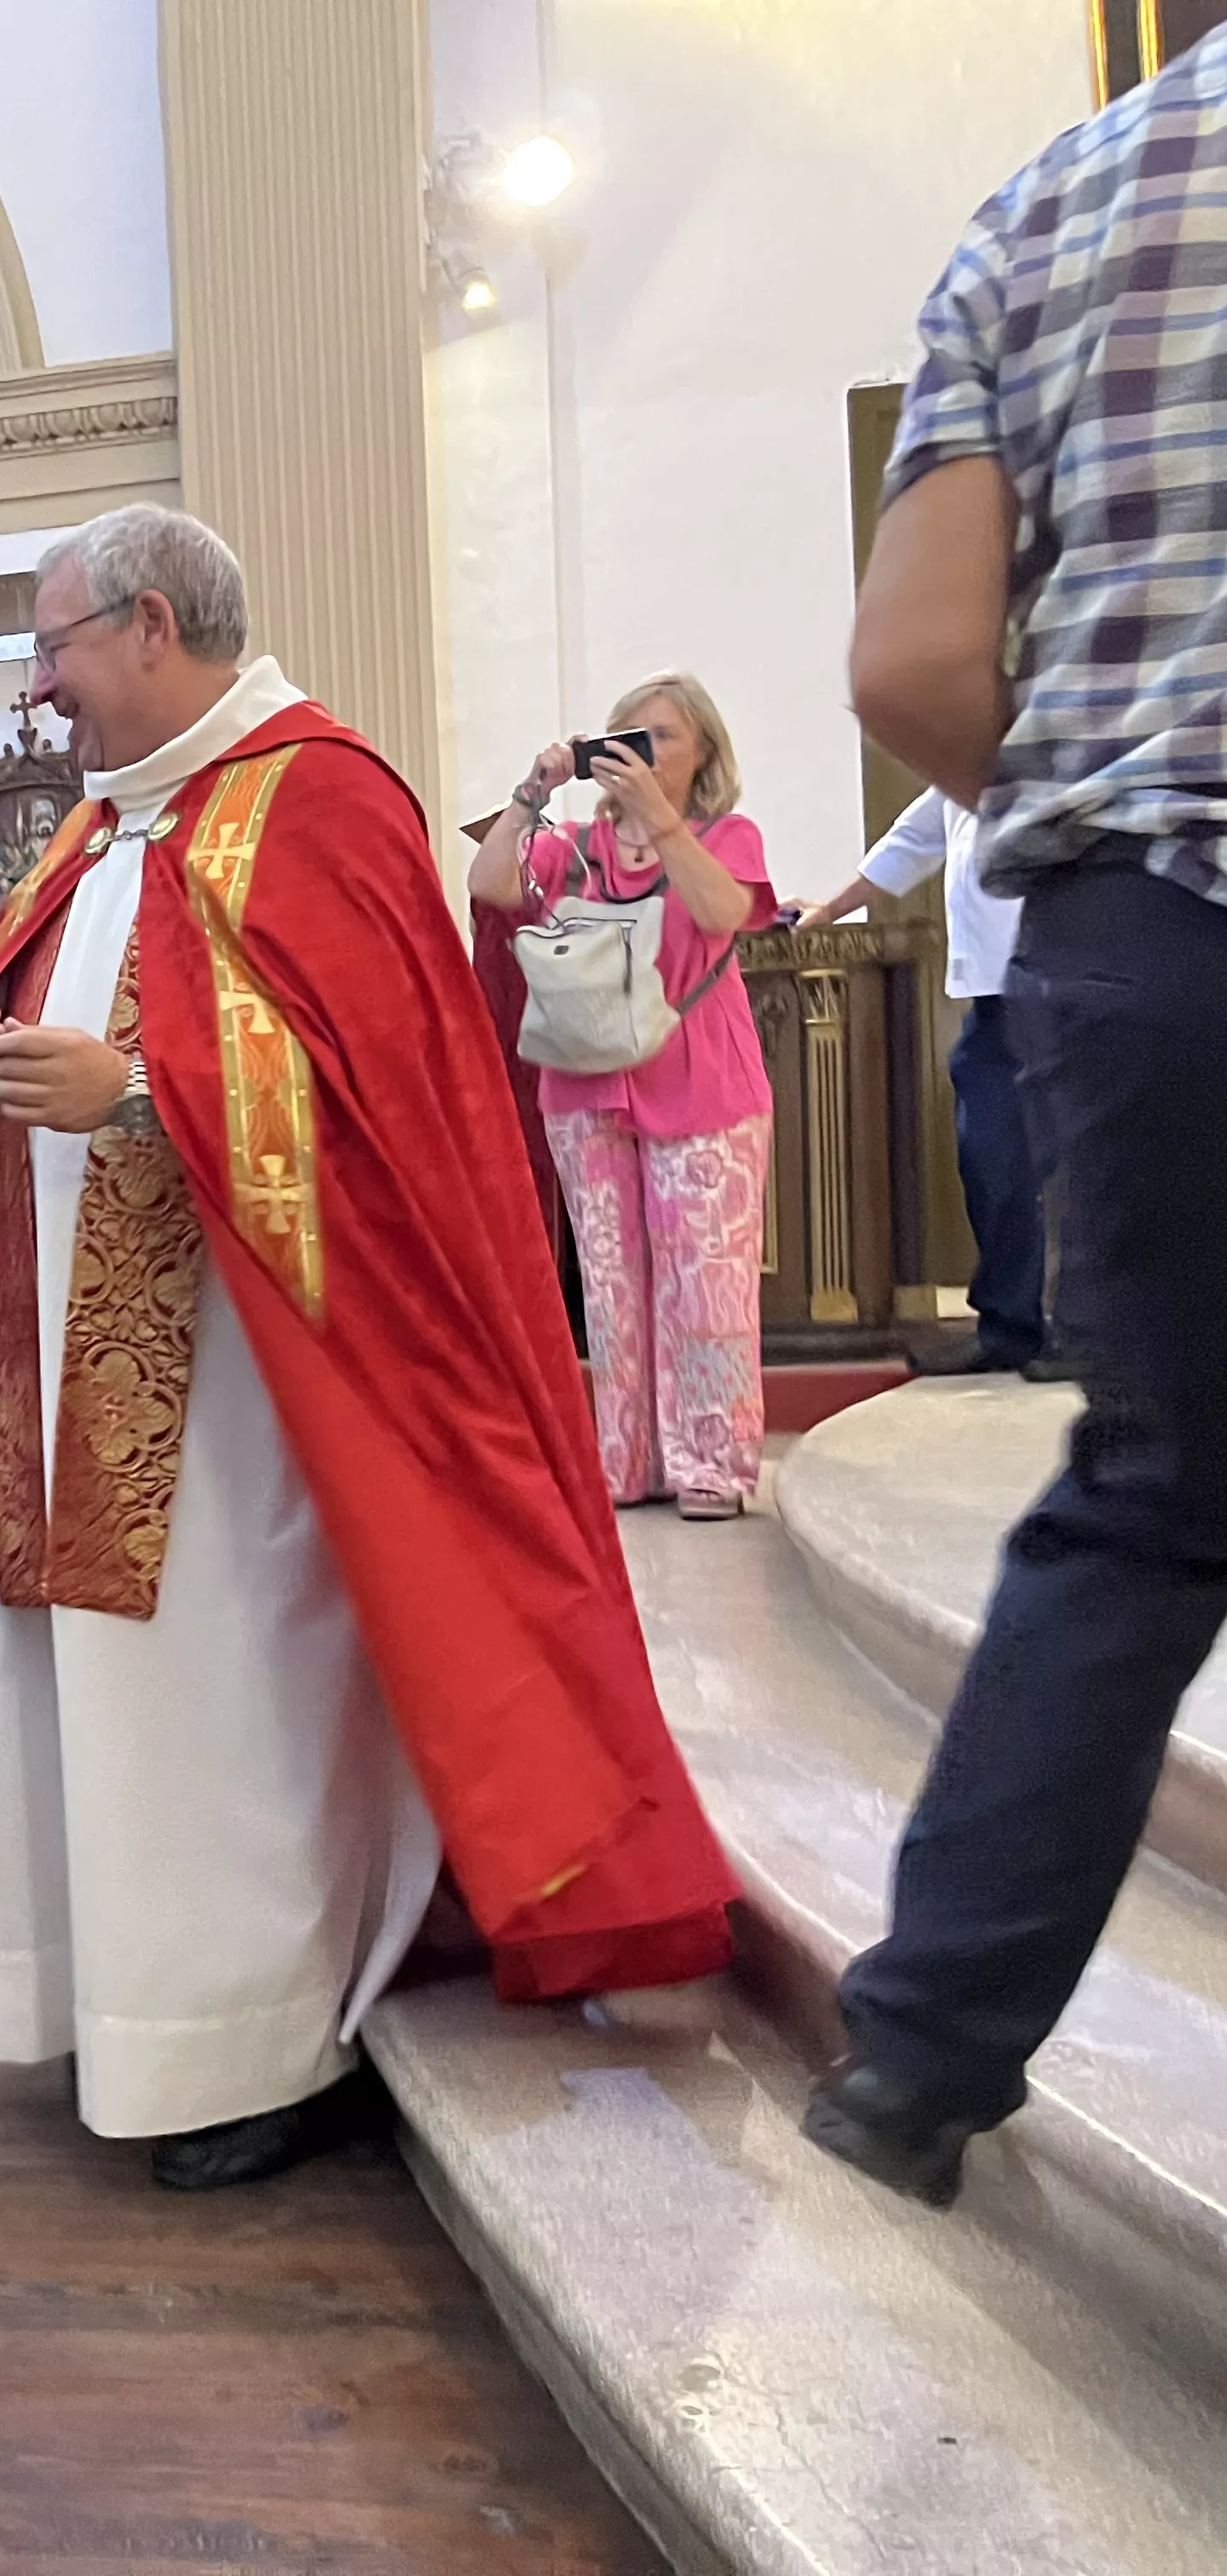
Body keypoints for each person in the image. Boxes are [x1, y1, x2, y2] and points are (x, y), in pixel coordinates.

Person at [0, 505, 735, 2191]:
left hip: (247, 1406)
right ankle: (131, 2007)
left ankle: (266, 2038)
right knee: (107, 1707)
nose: (40, 683)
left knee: (225, 1702)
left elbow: (386, 1119)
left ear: (150, 624)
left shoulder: (324, 800)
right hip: (58, 1375)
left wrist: (140, 1090)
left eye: (55, 644)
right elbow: (84, 1036)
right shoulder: (102, 829)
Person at [815, 27, 1227, 2208]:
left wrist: (1107, 812)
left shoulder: (1046, 208)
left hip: (1137, 940)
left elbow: (909, 668)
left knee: (1150, 1504)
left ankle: (920, 2055)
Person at [468, 676, 775, 1520]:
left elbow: (723, 910)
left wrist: (662, 823)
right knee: (609, 1289)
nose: (640, 750)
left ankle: (712, 1465)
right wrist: (532, 791)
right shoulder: (575, 847)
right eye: (626, 736)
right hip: (585, 1086)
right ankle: (626, 1461)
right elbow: (491, 884)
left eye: (661, 736)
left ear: (703, 753)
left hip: (703, 1087)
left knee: (706, 1287)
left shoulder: (727, 836)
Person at [797, 789, 1059, 1378]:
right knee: (992, 1159)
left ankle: (1083, 1334)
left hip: (1055, 981)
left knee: (1071, 1161)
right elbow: (912, 840)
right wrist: (829, 911)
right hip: (995, 995)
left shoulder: (1051, 749)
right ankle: (1011, 1326)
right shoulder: (962, 759)